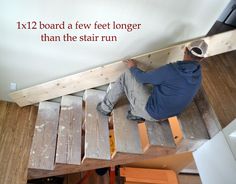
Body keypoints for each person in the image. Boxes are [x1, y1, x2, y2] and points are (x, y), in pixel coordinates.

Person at [96, 40, 208, 121]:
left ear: (185, 50)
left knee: (128, 74)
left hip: (152, 112)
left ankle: (105, 108)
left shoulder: (172, 70)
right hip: (167, 115)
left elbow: (142, 78)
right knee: (154, 85)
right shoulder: (198, 75)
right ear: (202, 59)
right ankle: (136, 114)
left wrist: (133, 67)